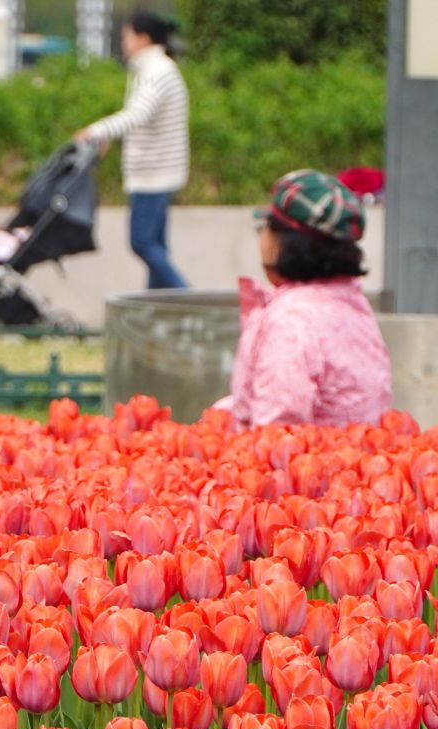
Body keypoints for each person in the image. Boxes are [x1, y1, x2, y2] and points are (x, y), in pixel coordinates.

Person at [219, 169, 391, 430]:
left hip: (307, 467)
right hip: (356, 463)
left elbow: (278, 428)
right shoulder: (353, 303)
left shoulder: (292, 319)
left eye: (264, 229)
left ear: (284, 243)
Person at [75, 10, 189, 290]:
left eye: (127, 35)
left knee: (142, 243)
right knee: (156, 246)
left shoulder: (157, 71)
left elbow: (137, 114)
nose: (123, 41)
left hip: (154, 174)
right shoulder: (154, 69)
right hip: (159, 171)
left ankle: (190, 300)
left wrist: (96, 131)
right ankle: (158, 312)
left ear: (143, 37)